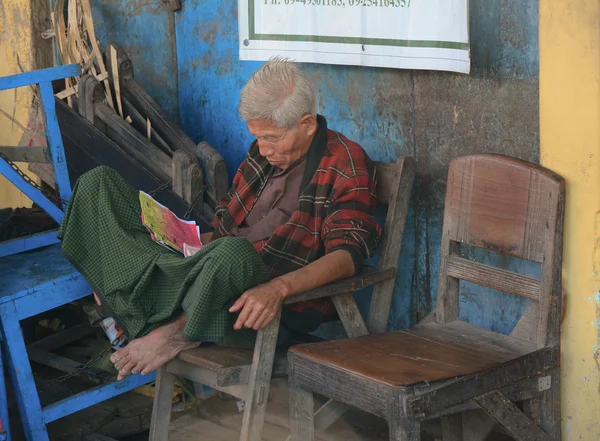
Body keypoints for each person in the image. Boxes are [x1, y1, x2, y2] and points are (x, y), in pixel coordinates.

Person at [59, 58, 381, 380]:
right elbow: (226, 227)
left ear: (307, 124)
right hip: (205, 276)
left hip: (249, 307)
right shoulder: (261, 153)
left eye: (272, 137)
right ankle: (121, 288)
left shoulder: (344, 164)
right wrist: (179, 239)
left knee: (234, 253)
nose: (263, 147)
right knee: (98, 184)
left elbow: (347, 257)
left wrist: (278, 289)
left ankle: (171, 331)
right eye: (257, 136)